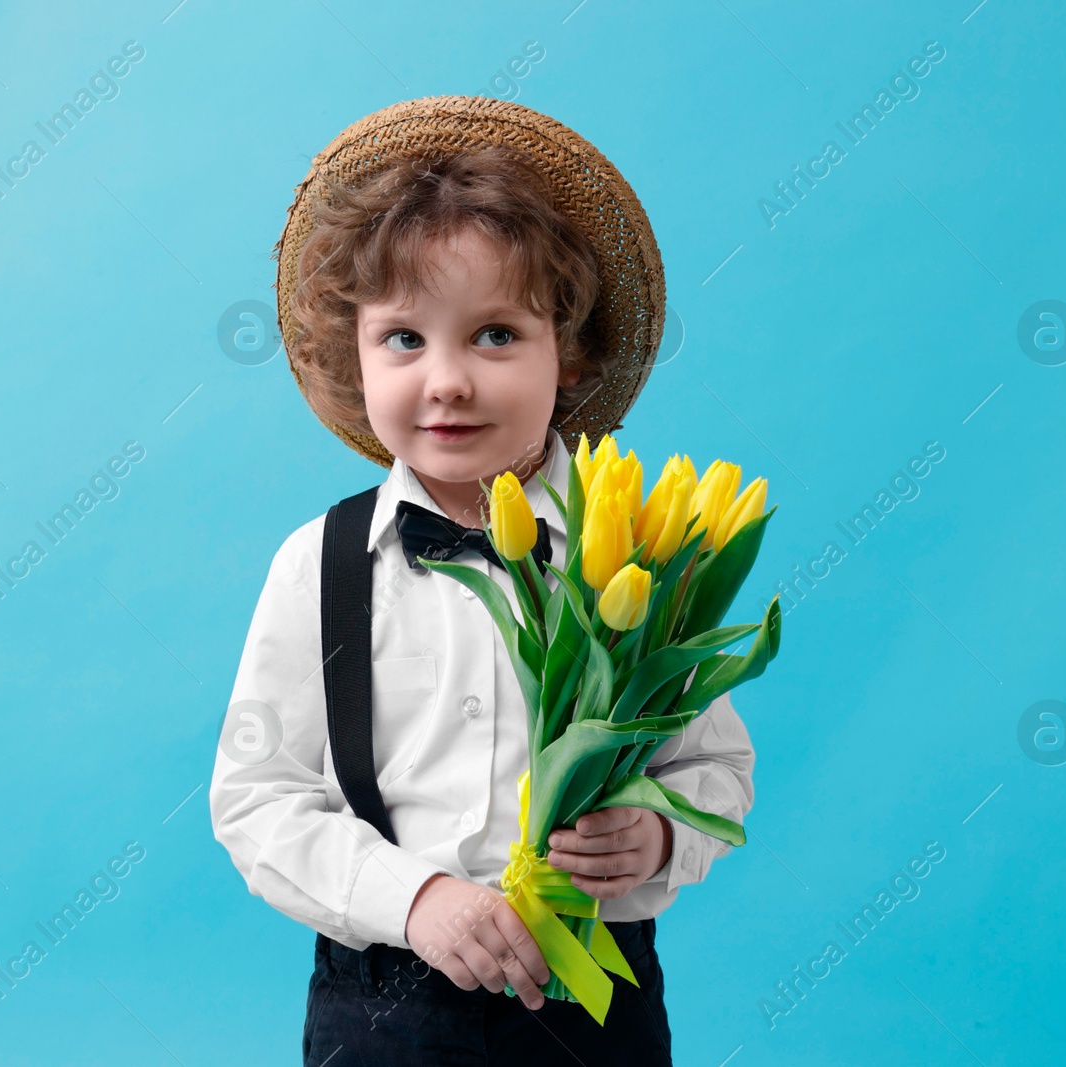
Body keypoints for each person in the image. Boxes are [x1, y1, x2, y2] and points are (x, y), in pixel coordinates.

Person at [210, 96, 756, 1066]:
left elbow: (715, 770)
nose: (448, 380)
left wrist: (659, 835)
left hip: (593, 1003)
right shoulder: (317, 564)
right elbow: (258, 799)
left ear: (568, 351)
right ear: (355, 354)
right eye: (405, 339)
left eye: (495, 334)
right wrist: (413, 899)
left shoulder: (637, 547)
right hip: (382, 1003)